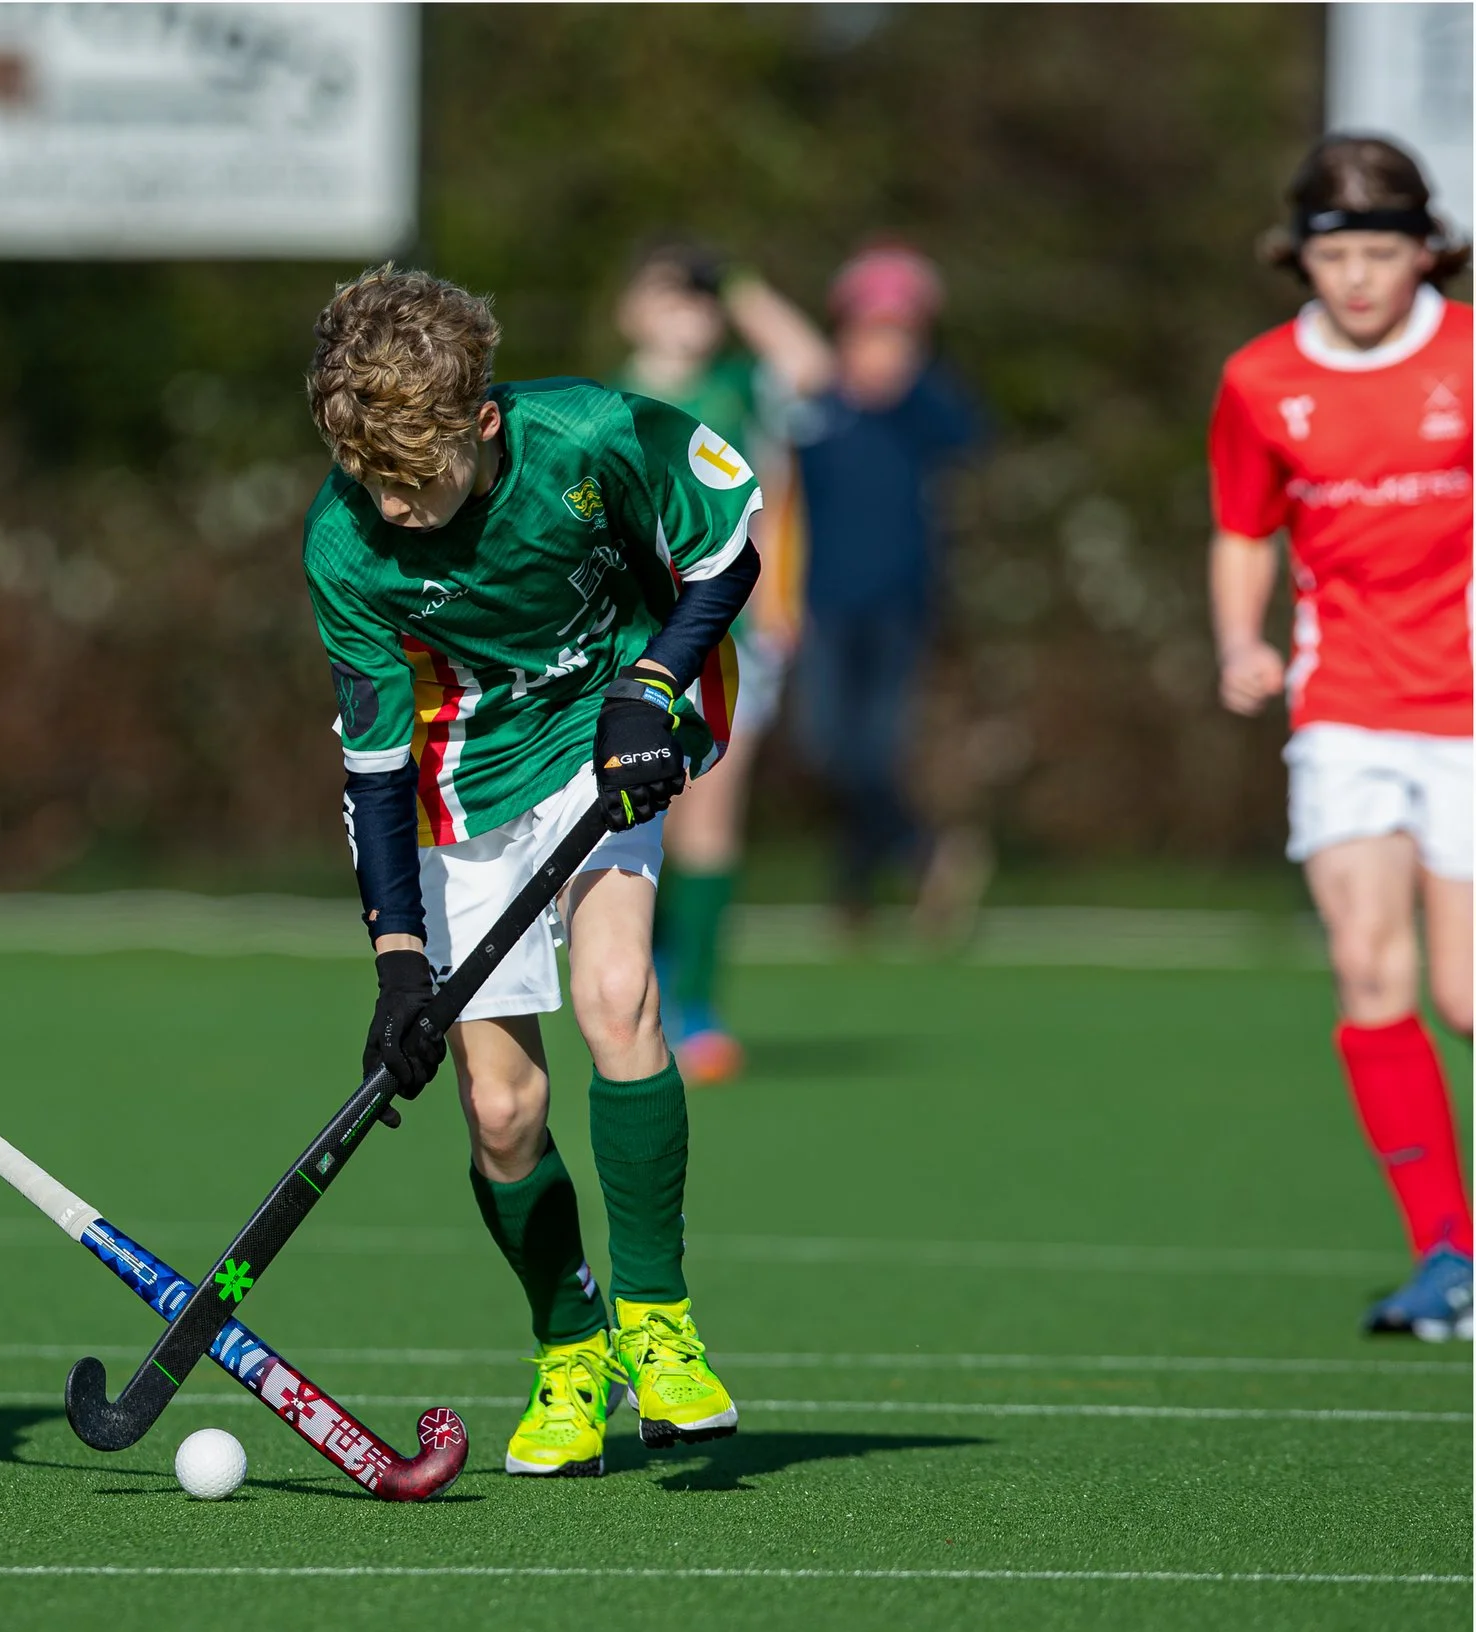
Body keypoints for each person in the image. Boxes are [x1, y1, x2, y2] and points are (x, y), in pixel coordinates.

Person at [304, 266, 759, 1476]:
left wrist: (654, 686)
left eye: (420, 478)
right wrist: (397, 964)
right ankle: (571, 1347)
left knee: (618, 996)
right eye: (371, 482)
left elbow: (724, 555)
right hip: (461, 771)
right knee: (502, 1110)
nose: (396, 510)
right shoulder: (343, 547)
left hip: (610, 718)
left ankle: (660, 1327)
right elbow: (374, 764)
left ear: (482, 421)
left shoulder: (594, 433)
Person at [1207, 134, 1472, 1341]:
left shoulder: (1468, 361)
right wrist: (1238, 642)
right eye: (1337, 255)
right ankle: (1446, 1256)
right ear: (1298, 259)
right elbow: (1243, 526)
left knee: (1466, 996)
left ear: (1427, 251)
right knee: (1371, 972)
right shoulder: (1260, 381)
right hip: (1346, 710)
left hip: (1467, 711)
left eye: (1382, 252)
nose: (1360, 278)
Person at [610, 241, 830, 1079]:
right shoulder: (603, 399)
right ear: (630, 311)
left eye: (697, 299)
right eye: (668, 294)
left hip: (730, 635)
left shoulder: (744, 387)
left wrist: (736, 282)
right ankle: (634, 987)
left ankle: (694, 1003)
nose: (687, 312)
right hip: (624, 638)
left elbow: (813, 365)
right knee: (631, 812)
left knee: (709, 814)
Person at [785, 242, 988, 936]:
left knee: (873, 748)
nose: (884, 352)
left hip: (900, 606)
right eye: (871, 334)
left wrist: (913, 381)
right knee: (826, 747)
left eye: (901, 338)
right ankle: (918, 852)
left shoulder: (925, 410)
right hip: (822, 605)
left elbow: (969, 437)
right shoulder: (817, 408)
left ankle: (857, 884)